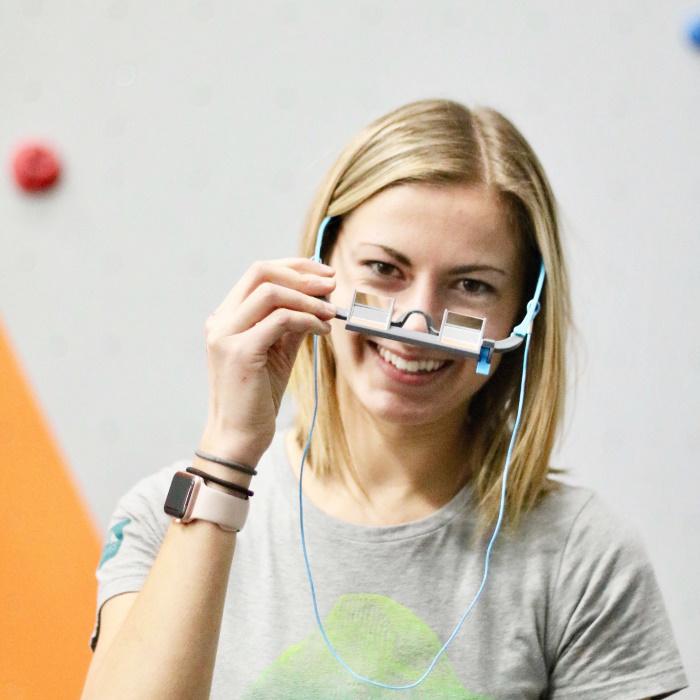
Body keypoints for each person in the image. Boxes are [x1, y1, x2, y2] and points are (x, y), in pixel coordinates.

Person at [81, 99, 688, 699]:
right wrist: (225, 458)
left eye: (471, 285)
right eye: (383, 269)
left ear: (522, 313)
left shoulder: (581, 557)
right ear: (321, 269)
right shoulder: (164, 520)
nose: (417, 324)